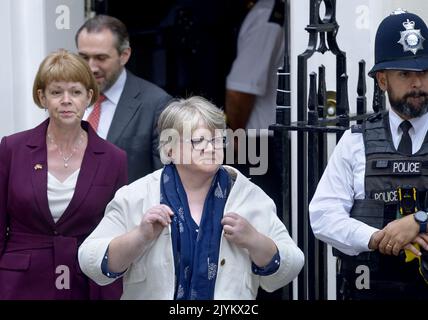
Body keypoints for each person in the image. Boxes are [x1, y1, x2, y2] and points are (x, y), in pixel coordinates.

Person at [78, 96, 304, 299]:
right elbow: (91, 260)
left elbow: (293, 264)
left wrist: (255, 241)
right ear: (169, 150)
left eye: (217, 140)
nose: (211, 148)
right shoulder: (136, 196)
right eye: (198, 141)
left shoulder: (249, 196)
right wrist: (140, 236)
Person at [309, 9, 428, 300]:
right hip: (369, 289)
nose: (418, 84)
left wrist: (419, 221)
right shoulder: (355, 140)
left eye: (424, 72)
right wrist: (376, 238)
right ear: (383, 80)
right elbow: (323, 215)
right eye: (405, 74)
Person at [0, 50, 128, 299]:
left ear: (89, 96)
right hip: (18, 284)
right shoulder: (12, 149)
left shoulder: (114, 158)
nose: (66, 100)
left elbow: (117, 232)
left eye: (76, 92)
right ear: (42, 97)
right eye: (56, 92)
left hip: (85, 283)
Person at [75, 15, 172, 183]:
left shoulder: (157, 105)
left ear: (124, 55)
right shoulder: (67, 98)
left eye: (101, 58)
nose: (91, 67)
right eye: (84, 57)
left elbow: (167, 179)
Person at [225, 0, 284, 133]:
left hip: (263, 139)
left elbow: (239, 91)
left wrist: (235, 135)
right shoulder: (269, 12)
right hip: (265, 137)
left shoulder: (266, 14)